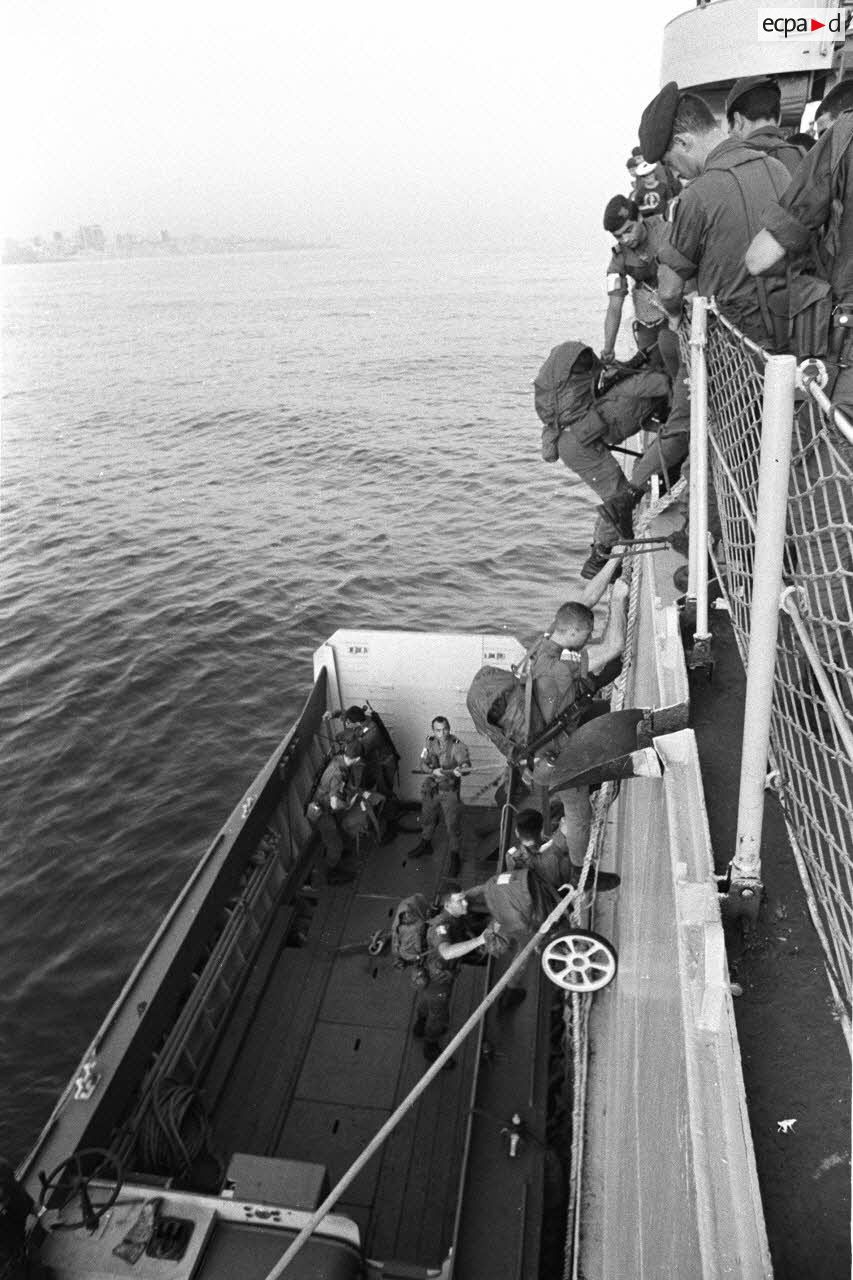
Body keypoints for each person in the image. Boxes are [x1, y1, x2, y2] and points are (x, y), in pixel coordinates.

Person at [638, 81, 791, 349]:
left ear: (683, 142)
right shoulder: (778, 168)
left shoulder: (696, 195)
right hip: (789, 337)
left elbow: (669, 290)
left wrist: (674, 315)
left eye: (669, 162)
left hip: (734, 352)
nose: (674, 174)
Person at [535, 341, 672, 579]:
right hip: (578, 446)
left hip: (576, 441)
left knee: (614, 495)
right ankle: (599, 558)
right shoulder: (640, 383)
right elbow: (665, 385)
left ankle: (600, 550)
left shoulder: (607, 389)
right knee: (617, 497)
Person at [529, 579, 630, 873]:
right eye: (586, 635)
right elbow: (614, 646)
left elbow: (585, 600)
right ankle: (578, 873)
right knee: (579, 814)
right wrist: (618, 600)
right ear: (571, 632)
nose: (589, 639)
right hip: (554, 756)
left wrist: (614, 562)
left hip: (553, 732)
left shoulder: (545, 644)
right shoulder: (561, 669)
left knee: (608, 715)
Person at [600, 195, 670, 362]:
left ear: (639, 218)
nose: (626, 239)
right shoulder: (619, 257)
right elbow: (614, 307)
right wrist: (608, 349)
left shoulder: (666, 230)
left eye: (628, 230)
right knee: (649, 365)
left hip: (681, 307)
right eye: (618, 236)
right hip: (650, 317)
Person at [410, 717, 472, 879]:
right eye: (438, 730)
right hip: (431, 788)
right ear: (433, 731)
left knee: (452, 825)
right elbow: (422, 762)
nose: (442, 733)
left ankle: (455, 856)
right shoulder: (429, 742)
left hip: (448, 791)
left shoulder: (457, 745)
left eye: (444, 729)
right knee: (427, 817)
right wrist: (432, 771)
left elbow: (465, 764)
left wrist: (461, 769)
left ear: (449, 728)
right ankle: (426, 842)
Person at [310, 743, 380, 884]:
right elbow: (334, 804)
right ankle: (330, 873)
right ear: (357, 758)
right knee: (335, 846)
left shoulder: (338, 760)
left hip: (324, 806)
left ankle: (335, 855)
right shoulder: (337, 774)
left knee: (336, 836)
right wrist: (349, 804)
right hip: (322, 813)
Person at [725, 75, 805, 177]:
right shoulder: (803, 158)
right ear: (779, 118)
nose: (730, 132)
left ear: (738, 121)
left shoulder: (732, 167)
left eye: (730, 128)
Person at [324, 704, 398, 797]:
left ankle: (389, 808)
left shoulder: (373, 732)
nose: (346, 724)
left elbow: (356, 750)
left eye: (348, 722)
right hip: (372, 760)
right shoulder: (361, 718)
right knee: (366, 786)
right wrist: (334, 714)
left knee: (384, 791)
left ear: (356, 722)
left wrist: (344, 745)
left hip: (385, 763)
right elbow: (347, 714)